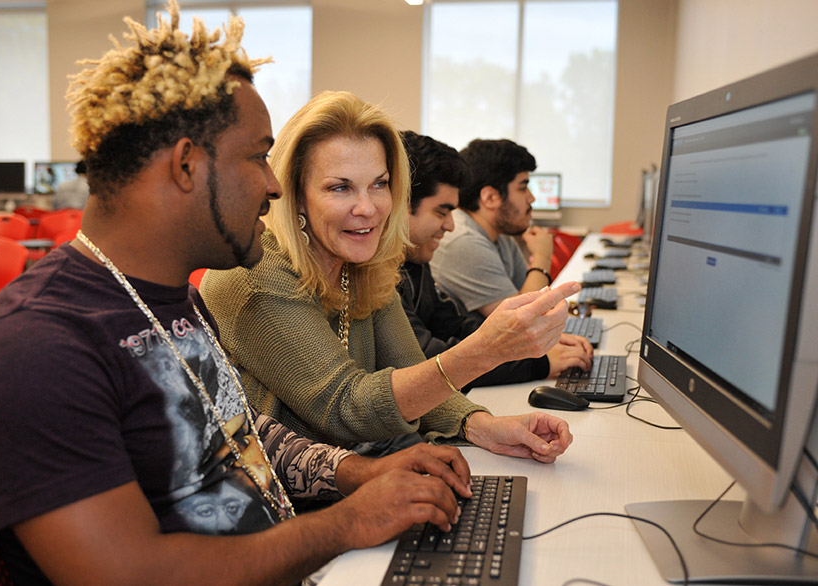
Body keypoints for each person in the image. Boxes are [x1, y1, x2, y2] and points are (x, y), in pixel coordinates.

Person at [0, 5, 480, 584]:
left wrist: (357, 474)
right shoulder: (32, 350)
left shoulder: (176, 302)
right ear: (186, 165)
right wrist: (347, 523)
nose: (275, 186)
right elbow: (128, 574)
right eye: (257, 158)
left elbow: (239, 435)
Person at [200, 90, 580, 460]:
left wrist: (480, 425)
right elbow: (344, 408)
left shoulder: (364, 263)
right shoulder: (258, 275)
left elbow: (416, 374)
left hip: (360, 471)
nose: (368, 208)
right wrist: (485, 351)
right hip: (290, 501)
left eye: (379, 184)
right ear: (296, 195)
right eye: (340, 188)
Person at [398, 130, 592, 391]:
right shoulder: (457, 244)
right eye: (442, 212)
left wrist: (531, 347)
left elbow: (456, 325)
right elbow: (428, 359)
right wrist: (537, 361)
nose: (450, 226)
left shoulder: (417, 259)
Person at [430, 138, 556, 318]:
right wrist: (542, 257)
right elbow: (523, 321)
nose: (531, 198)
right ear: (490, 198)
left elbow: (531, 302)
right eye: (523, 188)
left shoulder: (500, 234)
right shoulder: (465, 242)